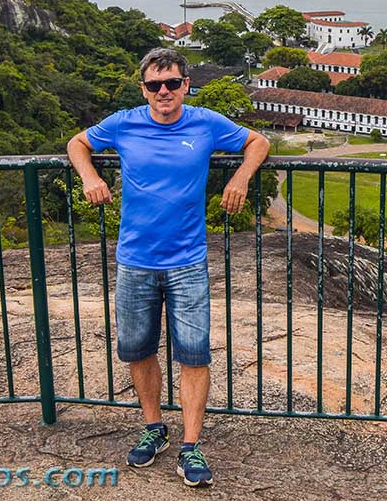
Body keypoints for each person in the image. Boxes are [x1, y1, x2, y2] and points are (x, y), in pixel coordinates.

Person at [66, 47, 270, 488]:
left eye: (172, 83)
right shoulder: (124, 122)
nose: (164, 92)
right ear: (144, 89)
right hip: (135, 260)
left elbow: (259, 141)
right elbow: (77, 143)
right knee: (138, 349)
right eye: (155, 85)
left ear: (185, 85)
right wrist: (90, 177)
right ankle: (154, 427)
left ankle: (191, 446)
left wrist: (239, 177)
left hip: (188, 261)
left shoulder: (206, 122)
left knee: (194, 354)